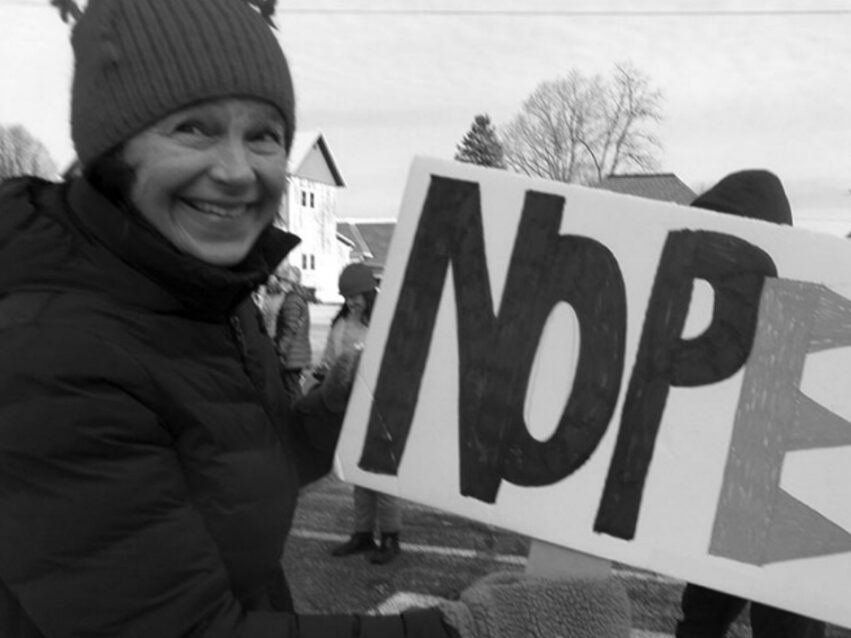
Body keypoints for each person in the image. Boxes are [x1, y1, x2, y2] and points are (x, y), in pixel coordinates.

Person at [0, 1, 630, 636]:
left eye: (264, 135)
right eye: (193, 128)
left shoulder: (196, 286)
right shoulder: (45, 351)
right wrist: (481, 630)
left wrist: (336, 405)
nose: (237, 170)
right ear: (111, 149)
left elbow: (238, 474)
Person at [674, 169, 827, 638]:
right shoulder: (709, 310)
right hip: (731, 493)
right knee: (700, 618)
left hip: (786, 504)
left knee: (786, 624)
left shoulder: (808, 315)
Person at [321, 263, 403, 565]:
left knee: (382, 475)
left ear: (369, 292)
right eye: (346, 297)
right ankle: (363, 534)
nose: (351, 302)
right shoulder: (340, 324)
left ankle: (391, 537)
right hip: (348, 408)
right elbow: (329, 362)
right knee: (358, 474)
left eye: (356, 296)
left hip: (381, 407)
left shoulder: (384, 321)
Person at [275, 264, 313, 401]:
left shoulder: (292, 301)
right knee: (293, 388)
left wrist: (280, 349)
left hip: (292, 355)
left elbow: (289, 328)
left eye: (282, 280)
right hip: (297, 352)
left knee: (292, 391)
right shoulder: (298, 297)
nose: (279, 283)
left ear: (289, 282)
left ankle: (297, 418)